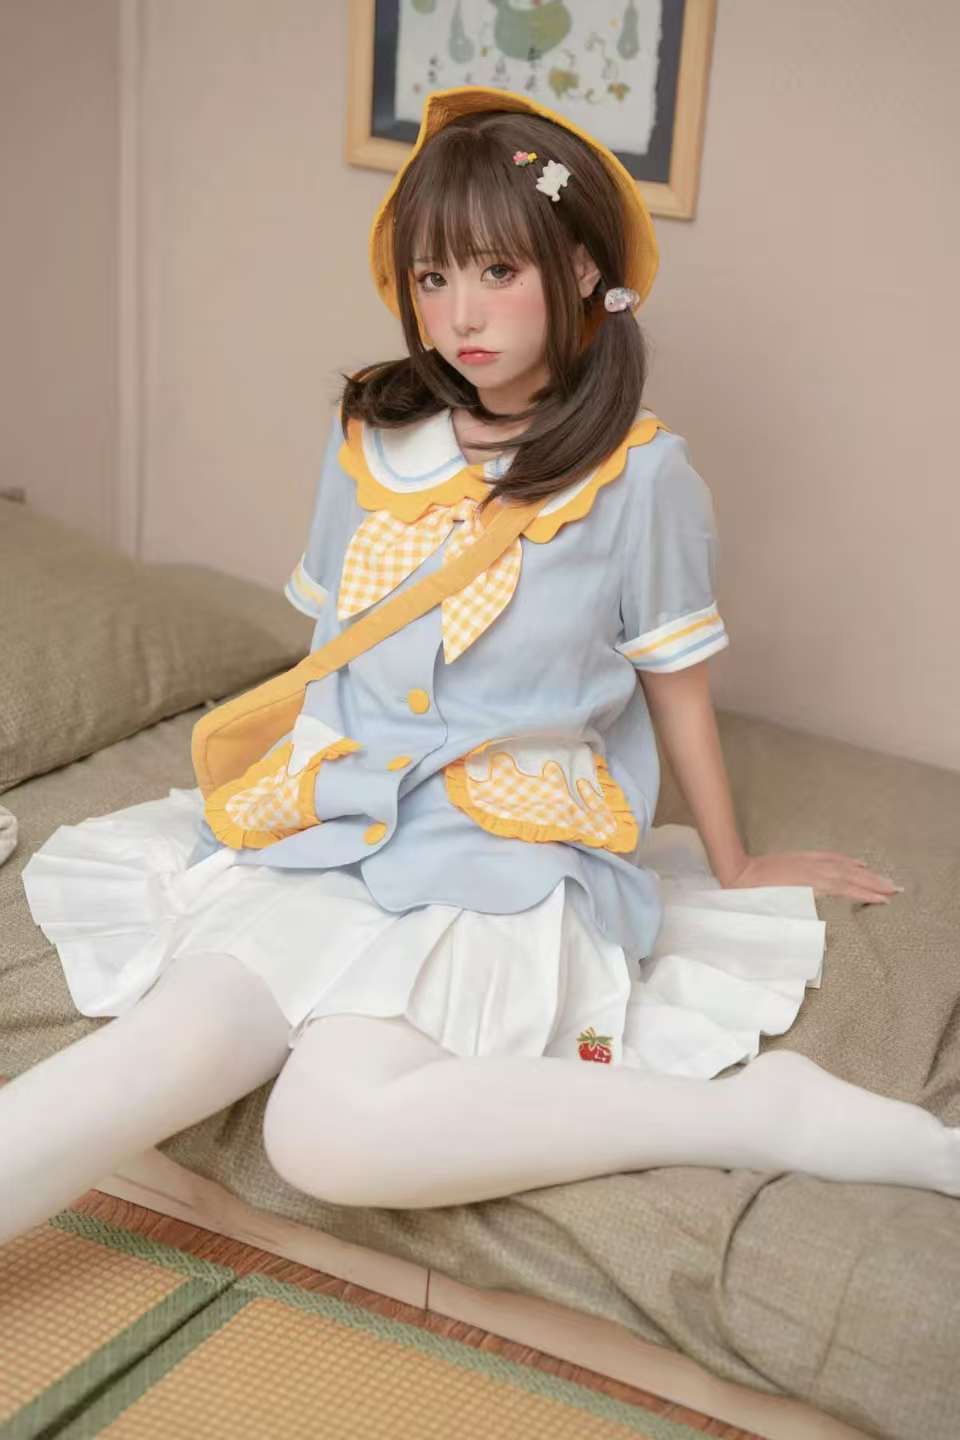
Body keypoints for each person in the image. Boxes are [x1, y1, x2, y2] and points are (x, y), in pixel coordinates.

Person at [3, 86, 957, 1246]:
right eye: (432, 277)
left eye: (498, 271)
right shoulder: (371, 443)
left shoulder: (642, 478)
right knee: (150, 1055)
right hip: (338, 833)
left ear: (584, 271)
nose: (460, 313)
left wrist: (734, 860)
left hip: (502, 860)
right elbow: (326, 661)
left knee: (325, 1133)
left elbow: (677, 690)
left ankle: (759, 1115)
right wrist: (271, 810)